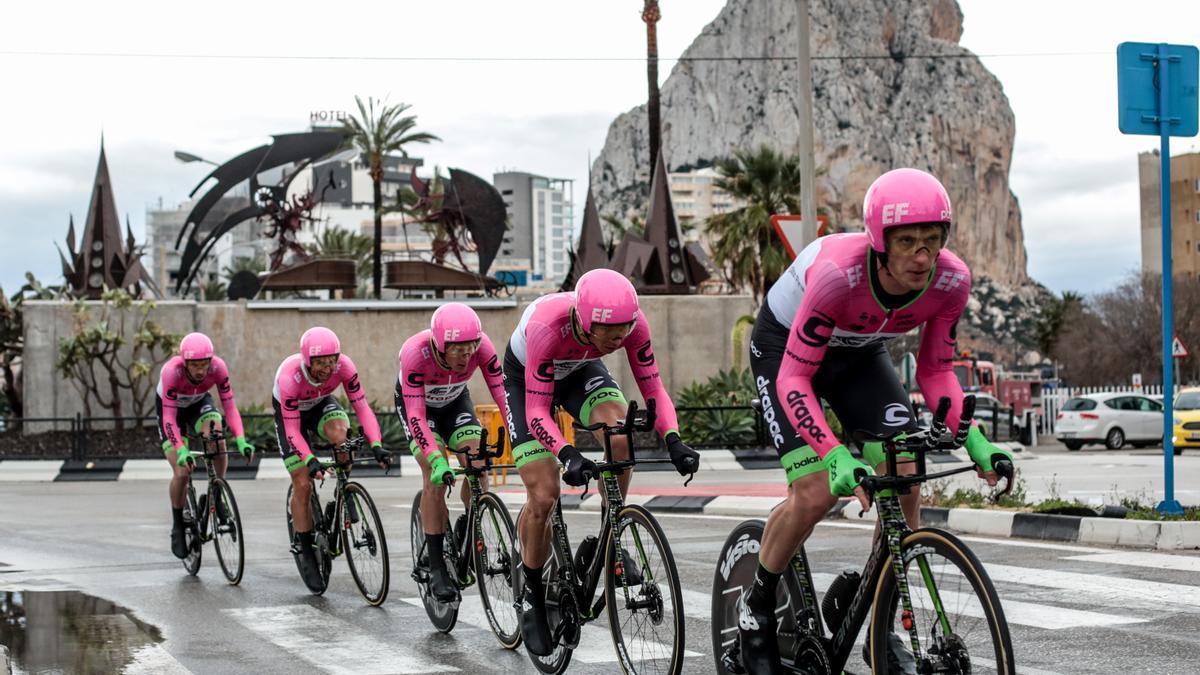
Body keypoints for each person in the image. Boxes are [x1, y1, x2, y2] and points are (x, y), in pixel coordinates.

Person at [738, 168, 1015, 674]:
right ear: (878, 243)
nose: (922, 256)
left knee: (905, 476)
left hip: (861, 355)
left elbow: (936, 373)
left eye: (932, 241)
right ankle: (755, 607)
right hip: (785, 354)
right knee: (817, 490)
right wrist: (835, 453)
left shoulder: (952, 281)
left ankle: (880, 621)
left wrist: (975, 442)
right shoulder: (837, 274)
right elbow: (795, 382)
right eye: (907, 242)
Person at [503, 268, 700, 655]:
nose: (620, 341)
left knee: (620, 435)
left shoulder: (629, 325)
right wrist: (567, 453)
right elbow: (539, 411)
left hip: (578, 370)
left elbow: (652, 386)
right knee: (544, 493)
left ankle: (609, 537)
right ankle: (531, 592)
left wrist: (673, 439)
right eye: (611, 335)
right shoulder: (548, 326)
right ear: (584, 321)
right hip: (526, 381)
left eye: (626, 331)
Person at [395, 302, 510, 603]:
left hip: (456, 403)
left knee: (479, 465)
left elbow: (503, 394)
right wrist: (436, 459)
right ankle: (435, 567)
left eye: (471, 347)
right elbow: (417, 417)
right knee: (435, 477)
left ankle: (469, 528)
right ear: (439, 345)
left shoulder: (482, 348)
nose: (466, 355)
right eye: (457, 349)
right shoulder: (414, 353)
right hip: (420, 409)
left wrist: (518, 431)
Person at [272, 326, 391, 591]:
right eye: (320, 363)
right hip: (291, 416)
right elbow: (292, 430)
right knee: (303, 482)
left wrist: (376, 444)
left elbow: (361, 406)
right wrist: (310, 459)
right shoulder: (290, 377)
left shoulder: (344, 366)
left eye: (331, 361)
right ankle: (304, 548)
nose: (327, 369)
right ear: (307, 361)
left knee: (342, 435)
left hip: (320, 404)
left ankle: (343, 487)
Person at [155, 332, 254, 559]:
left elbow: (229, 406)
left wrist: (240, 439)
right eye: (195, 366)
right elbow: (169, 418)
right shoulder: (172, 372)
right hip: (171, 412)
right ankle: (178, 523)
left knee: (217, 437)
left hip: (199, 402)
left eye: (204, 365)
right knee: (182, 472)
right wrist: (181, 449)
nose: (201, 371)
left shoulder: (218, 368)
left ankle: (217, 491)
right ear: (185, 363)